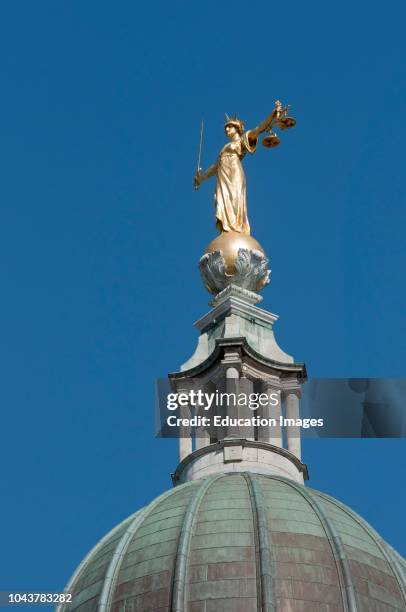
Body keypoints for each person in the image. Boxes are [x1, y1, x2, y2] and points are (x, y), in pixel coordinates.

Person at [194, 107, 279, 235]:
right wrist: (200, 179)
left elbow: (259, 129)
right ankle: (227, 229)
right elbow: (215, 167)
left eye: (229, 127)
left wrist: (272, 115)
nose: (227, 130)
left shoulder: (242, 140)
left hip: (234, 173)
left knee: (235, 199)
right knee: (223, 201)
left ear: (237, 128)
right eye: (225, 128)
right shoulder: (224, 148)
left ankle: (237, 228)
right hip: (223, 175)